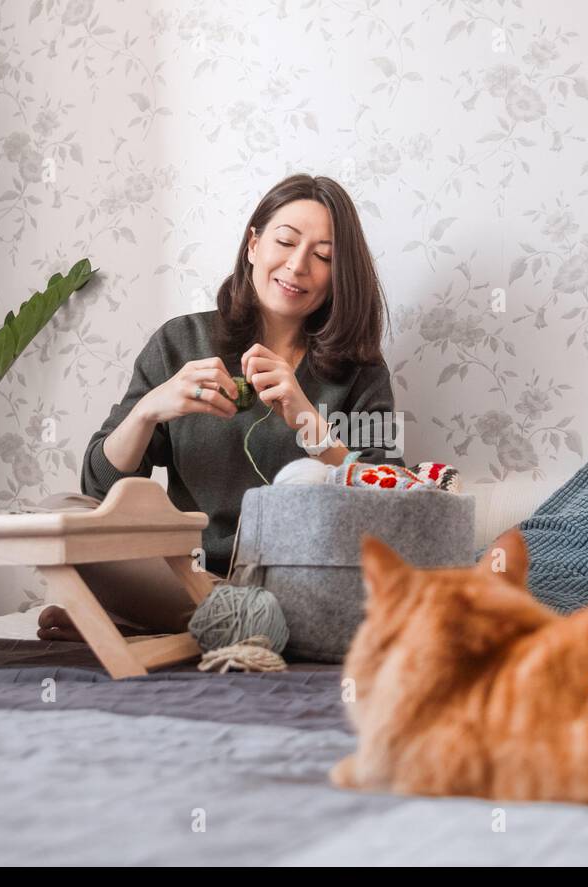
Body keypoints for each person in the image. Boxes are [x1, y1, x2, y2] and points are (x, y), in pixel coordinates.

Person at [37, 173, 402, 642]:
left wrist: (308, 420)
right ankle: (214, 619)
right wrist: (150, 409)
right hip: (188, 574)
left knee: (314, 585)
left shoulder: (363, 371)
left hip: (300, 582)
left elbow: (394, 502)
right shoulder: (179, 342)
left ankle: (156, 622)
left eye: (323, 256)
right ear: (253, 245)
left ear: (338, 276)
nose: (296, 265)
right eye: (285, 242)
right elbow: (100, 488)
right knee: (61, 514)